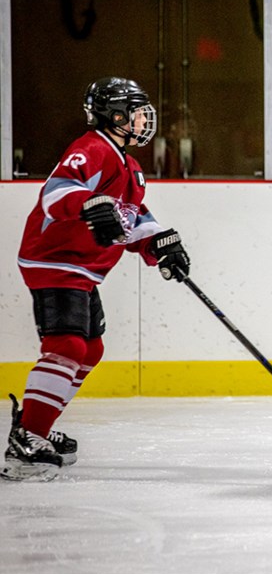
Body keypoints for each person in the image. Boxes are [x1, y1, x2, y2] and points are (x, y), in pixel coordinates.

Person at [3, 77, 191, 482]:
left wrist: (159, 243)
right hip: (55, 260)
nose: (144, 119)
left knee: (90, 349)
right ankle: (27, 438)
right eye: (137, 111)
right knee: (67, 344)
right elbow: (55, 195)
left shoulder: (132, 168)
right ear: (116, 115)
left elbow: (130, 218)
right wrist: (88, 203)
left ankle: (38, 422)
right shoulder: (91, 149)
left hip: (84, 269)